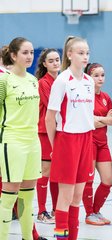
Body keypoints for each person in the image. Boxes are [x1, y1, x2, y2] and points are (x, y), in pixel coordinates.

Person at [45, 36, 94, 240]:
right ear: (70, 54)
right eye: (80, 53)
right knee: (64, 198)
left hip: (86, 139)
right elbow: (50, 118)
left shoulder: (90, 80)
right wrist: (55, 146)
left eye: (87, 53)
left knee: (77, 197)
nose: (85, 56)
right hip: (67, 140)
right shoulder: (62, 80)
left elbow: (86, 114)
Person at [0, 37, 45, 240]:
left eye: (31, 53)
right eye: (25, 53)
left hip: (33, 142)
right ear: (13, 55)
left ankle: (28, 237)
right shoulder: (4, 80)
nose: (29, 56)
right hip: (13, 141)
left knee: (28, 195)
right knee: (9, 198)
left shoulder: (33, 80)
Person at [82, 63, 112, 226]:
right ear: (88, 77)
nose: (100, 78)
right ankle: (89, 214)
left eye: (102, 75)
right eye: (96, 75)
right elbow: (88, 122)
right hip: (89, 142)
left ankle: (96, 211)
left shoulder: (106, 97)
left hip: (103, 143)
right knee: (88, 180)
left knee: (108, 180)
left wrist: (99, 119)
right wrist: (105, 119)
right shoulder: (84, 96)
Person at [35, 48, 61, 224]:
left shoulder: (61, 80)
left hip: (59, 131)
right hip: (45, 131)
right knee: (46, 171)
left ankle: (55, 208)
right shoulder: (43, 83)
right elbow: (53, 105)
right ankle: (42, 211)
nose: (55, 63)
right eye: (50, 60)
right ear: (44, 64)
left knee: (56, 173)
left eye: (57, 59)